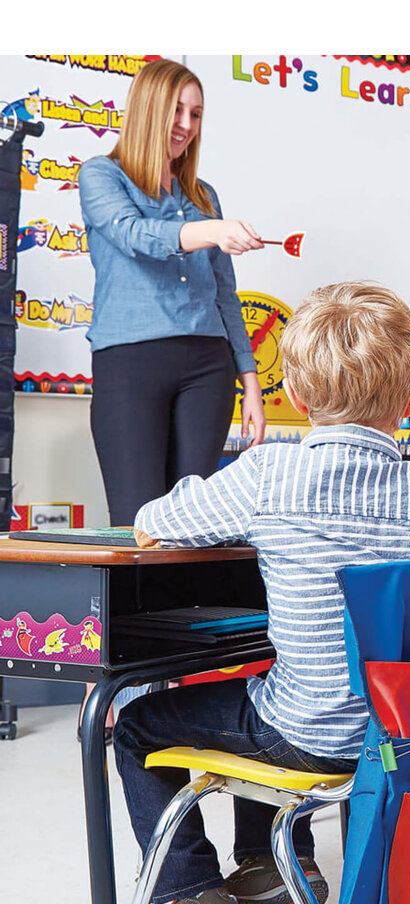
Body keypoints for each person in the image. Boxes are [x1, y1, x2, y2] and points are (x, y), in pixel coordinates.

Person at [114, 281, 410, 904]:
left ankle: (195, 894)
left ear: (298, 400)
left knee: (132, 724)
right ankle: (278, 872)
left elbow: (153, 522)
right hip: (396, 739)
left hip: (305, 735)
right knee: (269, 684)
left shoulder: (269, 473)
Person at [77, 59, 266, 737]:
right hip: (130, 363)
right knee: (138, 526)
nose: (186, 127)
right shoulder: (101, 177)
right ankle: (134, 692)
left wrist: (250, 382)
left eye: (197, 114)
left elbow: (224, 295)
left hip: (207, 367)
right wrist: (210, 231)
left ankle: (185, 687)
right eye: (178, 112)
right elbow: (135, 239)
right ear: (149, 109)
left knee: (195, 522)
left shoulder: (203, 193)